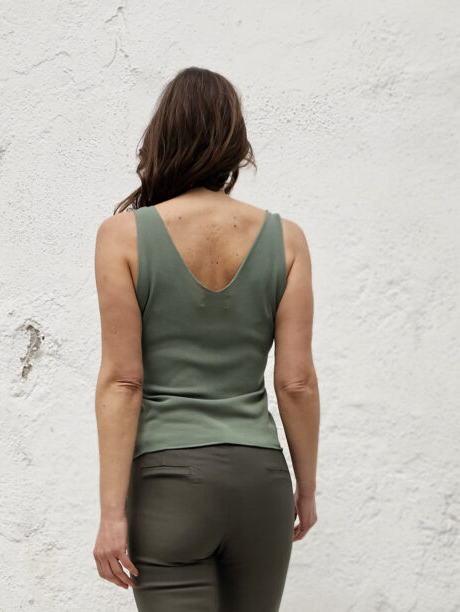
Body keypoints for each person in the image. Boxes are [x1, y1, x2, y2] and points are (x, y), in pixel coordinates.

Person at [93, 66, 320, 612]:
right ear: (235, 146)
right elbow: (296, 383)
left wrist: (111, 516)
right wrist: (306, 489)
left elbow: (123, 383)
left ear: (161, 138)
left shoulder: (123, 236)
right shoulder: (286, 239)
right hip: (261, 482)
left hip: (169, 485)